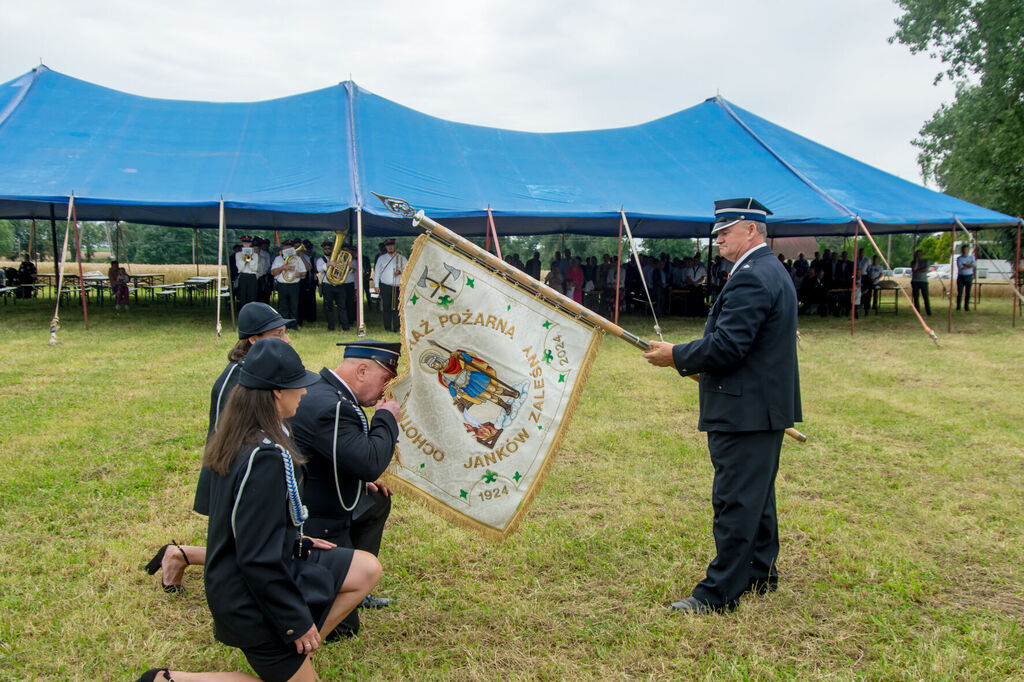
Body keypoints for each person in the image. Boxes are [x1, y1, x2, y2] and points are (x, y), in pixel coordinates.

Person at [137, 339, 381, 682]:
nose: (306, 393)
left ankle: (297, 653)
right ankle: (168, 680)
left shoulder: (248, 433)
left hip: (268, 565)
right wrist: (294, 623)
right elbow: (257, 558)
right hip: (248, 596)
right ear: (277, 393)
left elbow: (253, 527)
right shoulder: (265, 457)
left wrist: (301, 541)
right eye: (299, 386)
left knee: (366, 569)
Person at [642, 198, 801, 614]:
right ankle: (759, 573)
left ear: (751, 230)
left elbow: (728, 347)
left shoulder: (752, 276)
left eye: (726, 231)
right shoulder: (767, 270)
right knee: (757, 496)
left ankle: (718, 594)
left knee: (736, 500)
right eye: (718, 233)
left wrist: (676, 355)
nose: (720, 239)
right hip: (759, 406)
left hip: (745, 410)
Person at [146, 302, 294, 593]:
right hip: (233, 471)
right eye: (277, 334)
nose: (286, 340)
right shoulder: (240, 378)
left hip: (238, 469)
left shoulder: (250, 371)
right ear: (253, 339)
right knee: (241, 547)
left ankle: (180, 555)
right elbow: (231, 436)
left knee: (242, 543)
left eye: (285, 333)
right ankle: (179, 555)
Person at [288, 340, 403, 635]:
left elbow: (333, 453)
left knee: (376, 501)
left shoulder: (326, 391)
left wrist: (360, 476)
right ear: (362, 370)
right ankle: (347, 579)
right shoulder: (333, 407)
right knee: (344, 631)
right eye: (385, 380)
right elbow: (369, 463)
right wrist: (386, 417)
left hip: (320, 496)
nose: (385, 391)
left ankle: (355, 581)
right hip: (314, 519)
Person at [372, 239, 406, 332]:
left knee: (397, 307)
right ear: (386, 247)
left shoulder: (402, 258)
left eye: (392, 245)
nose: (390, 247)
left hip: (397, 286)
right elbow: (377, 273)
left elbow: (408, 270)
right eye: (388, 246)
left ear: (394, 246)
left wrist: (400, 271)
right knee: (386, 307)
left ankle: (396, 327)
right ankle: (387, 327)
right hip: (385, 285)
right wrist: (376, 285)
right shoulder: (381, 258)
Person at [317, 240, 350, 332]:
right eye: (325, 248)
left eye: (329, 248)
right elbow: (318, 269)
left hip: (339, 285)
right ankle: (331, 327)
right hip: (328, 285)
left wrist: (346, 266)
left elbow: (346, 271)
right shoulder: (321, 260)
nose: (327, 250)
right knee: (328, 307)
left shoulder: (340, 258)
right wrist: (328, 264)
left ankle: (345, 327)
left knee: (342, 306)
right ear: (323, 249)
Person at [271, 240, 305, 329]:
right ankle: (284, 326)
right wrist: (282, 268)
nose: (288, 248)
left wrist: (299, 274)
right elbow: (273, 272)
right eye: (286, 246)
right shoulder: (278, 259)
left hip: (294, 285)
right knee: (283, 307)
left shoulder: (297, 258)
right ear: (283, 248)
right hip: (282, 285)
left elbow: (304, 272)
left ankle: (293, 326)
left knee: (294, 306)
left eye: (290, 246)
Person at [235, 237, 260, 307]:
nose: (246, 244)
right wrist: (244, 258)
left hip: (252, 276)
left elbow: (254, 268)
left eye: (248, 243)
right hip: (243, 275)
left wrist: (249, 258)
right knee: (242, 297)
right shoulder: (238, 254)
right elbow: (240, 268)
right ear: (242, 243)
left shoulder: (255, 255)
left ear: (250, 244)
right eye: (244, 243)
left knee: (252, 297)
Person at [910, 249, 932, 315]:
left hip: (923, 281)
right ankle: (917, 311)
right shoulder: (913, 262)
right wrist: (916, 262)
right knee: (916, 297)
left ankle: (928, 311)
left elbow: (926, 269)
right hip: (915, 281)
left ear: (922, 255)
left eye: (920, 254)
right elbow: (914, 269)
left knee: (925, 296)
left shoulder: (926, 261)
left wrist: (918, 270)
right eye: (917, 255)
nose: (918, 256)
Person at [956, 244, 976, 311]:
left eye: (966, 250)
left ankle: (966, 306)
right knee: (960, 292)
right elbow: (961, 267)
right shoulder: (959, 258)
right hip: (961, 277)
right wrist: (969, 265)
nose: (965, 251)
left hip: (969, 276)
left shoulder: (971, 257)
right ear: (962, 250)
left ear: (968, 250)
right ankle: (958, 306)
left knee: (968, 293)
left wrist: (966, 265)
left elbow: (974, 265)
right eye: (964, 250)